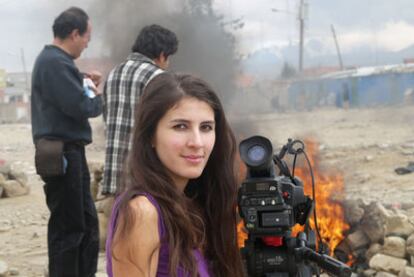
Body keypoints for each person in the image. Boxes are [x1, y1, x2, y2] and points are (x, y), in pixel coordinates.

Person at [105, 73, 244, 277]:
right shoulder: (143, 212)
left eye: (206, 127)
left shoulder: (192, 205)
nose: (197, 142)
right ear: (151, 135)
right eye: (180, 126)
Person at [31, 7, 102, 277]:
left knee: (85, 223)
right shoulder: (54, 62)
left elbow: (68, 96)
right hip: (64, 154)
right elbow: (81, 105)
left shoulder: (57, 63)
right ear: (75, 33)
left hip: (70, 153)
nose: (87, 44)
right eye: (87, 38)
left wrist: (83, 81)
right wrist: (97, 97)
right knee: (69, 228)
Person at [102, 24, 179, 195]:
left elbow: (107, 120)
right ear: (161, 55)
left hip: (117, 175)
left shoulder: (114, 73)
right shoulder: (159, 78)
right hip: (146, 175)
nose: (168, 63)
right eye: (168, 57)